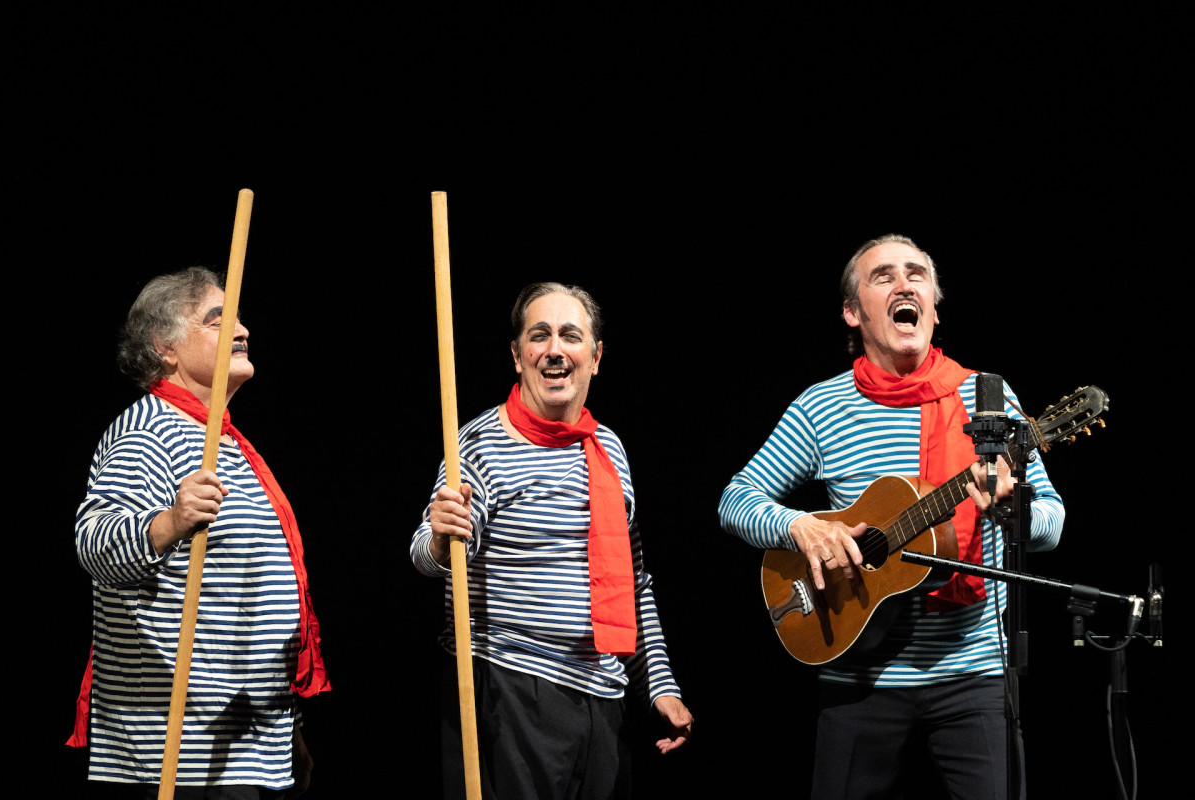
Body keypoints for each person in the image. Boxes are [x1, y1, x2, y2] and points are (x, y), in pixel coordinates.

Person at [718, 235, 1064, 798]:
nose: (904, 285)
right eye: (884, 277)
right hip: (857, 672)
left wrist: (1012, 509)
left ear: (934, 306)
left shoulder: (989, 399)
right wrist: (800, 526)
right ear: (852, 312)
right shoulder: (821, 406)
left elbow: (1052, 519)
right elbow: (736, 499)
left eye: (916, 275)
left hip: (973, 675)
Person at [411, 282, 693, 798]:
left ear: (596, 357)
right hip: (510, 689)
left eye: (570, 336)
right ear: (517, 356)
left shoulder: (609, 448)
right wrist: (439, 538)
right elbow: (429, 552)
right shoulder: (479, 445)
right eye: (539, 336)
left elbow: (633, 582)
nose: (554, 349)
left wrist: (660, 684)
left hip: (603, 696)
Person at [69, 267, 330, 798]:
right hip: (178, 751)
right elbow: (94, 544)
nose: (242, 329)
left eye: (239, 318)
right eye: (218, 319)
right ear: (165, 347)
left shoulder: (225, 442)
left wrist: (290, 731)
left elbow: (249, 598)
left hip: (250, 744)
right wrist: (170, 522)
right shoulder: (148, 430)